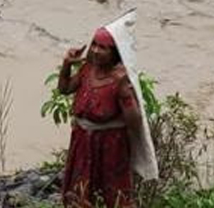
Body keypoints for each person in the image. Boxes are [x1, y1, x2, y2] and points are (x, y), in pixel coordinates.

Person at [57, 27, 148, 208]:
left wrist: (124, 93)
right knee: (79, 192)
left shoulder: (120, 79)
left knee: (112, 195)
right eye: (95, 45)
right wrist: (67, 64)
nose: (96, 51)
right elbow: (65, 88)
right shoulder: (87, 70)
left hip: (110, 146)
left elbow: (135, 122)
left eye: (103, 47)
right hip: (82, 143)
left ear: (115, 52)